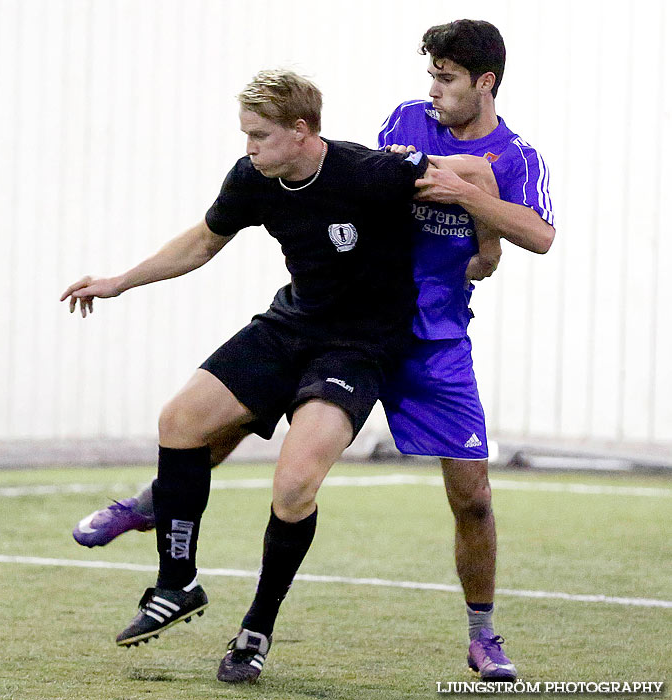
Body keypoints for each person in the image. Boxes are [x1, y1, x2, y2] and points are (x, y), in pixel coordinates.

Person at [72, 20, 555, 684]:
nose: (433, 89)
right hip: (341, 322)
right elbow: (377, 189)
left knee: (470, 497)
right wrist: (121, 280)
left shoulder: (517, 156)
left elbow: (530, 232)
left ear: (484, 83)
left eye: (445, 77)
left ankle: (481, 634)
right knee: (212, 422)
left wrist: (474, 210)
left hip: (426, 339)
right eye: (432, 75)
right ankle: (159, 507)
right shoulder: (402, 122)